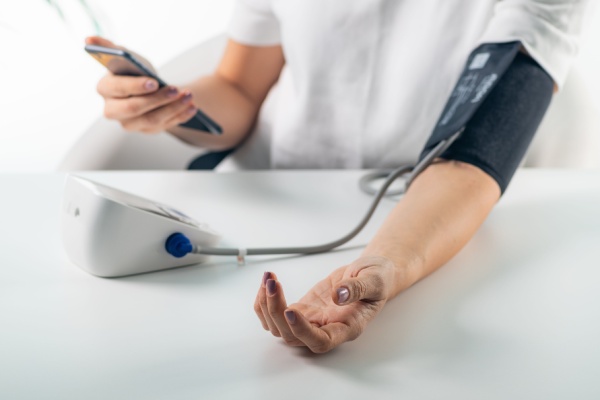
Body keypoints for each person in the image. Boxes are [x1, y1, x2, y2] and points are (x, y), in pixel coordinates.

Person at [87, 0, 590, 353]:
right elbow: (239, 88)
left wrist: (381, 266)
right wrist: (168, 105)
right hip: (261, 205)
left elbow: (475, 155)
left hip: (417, 217)